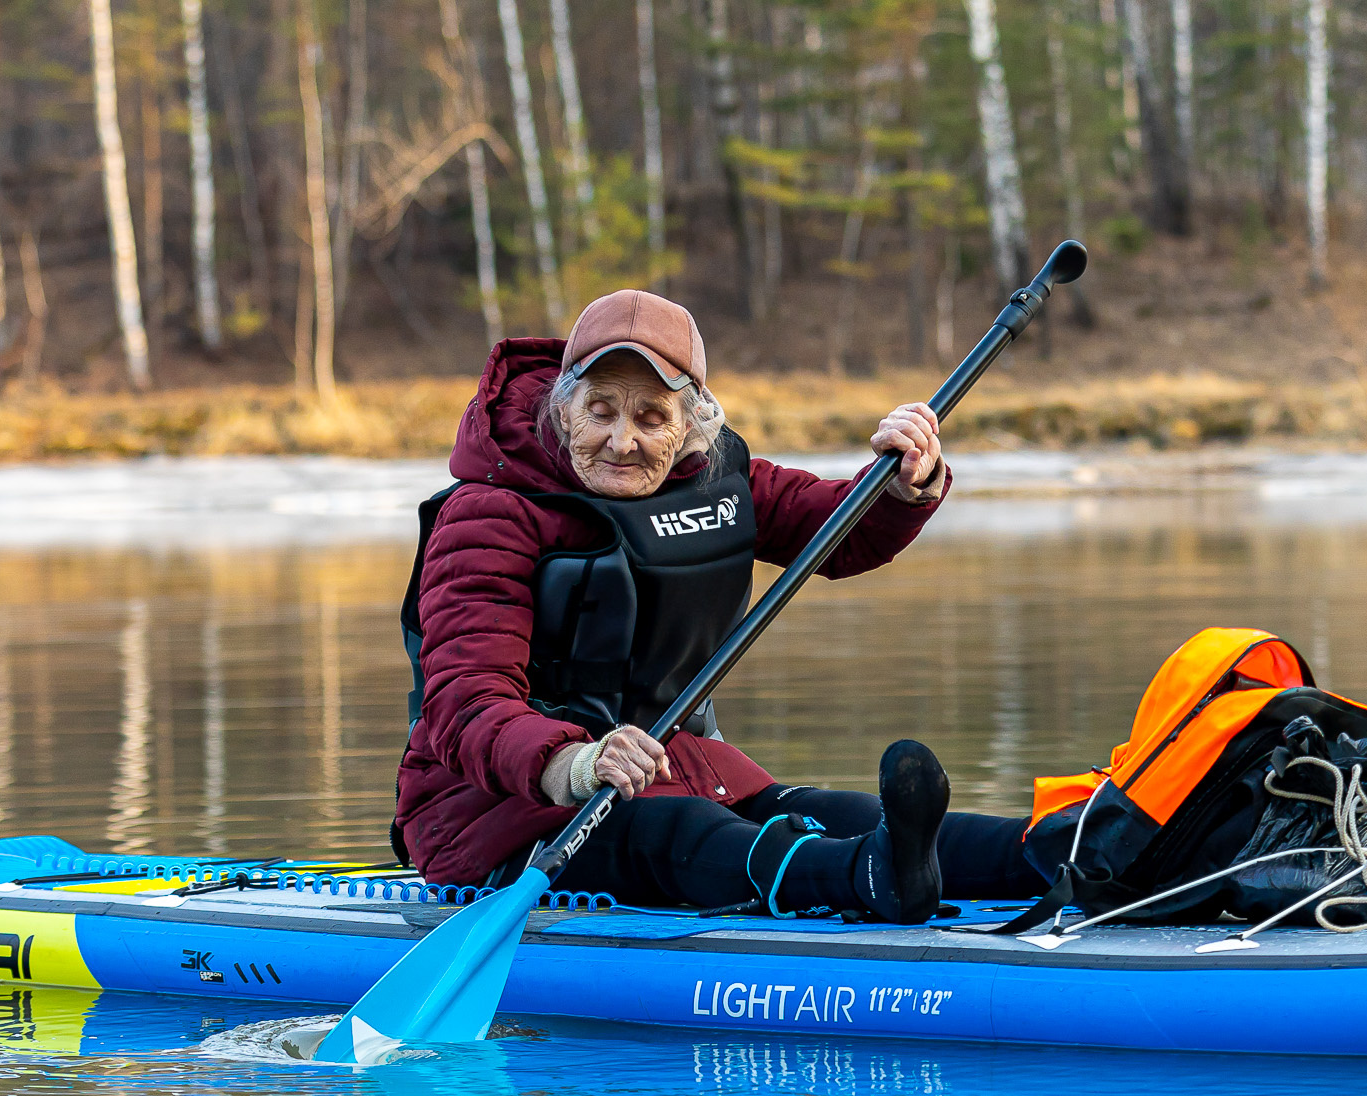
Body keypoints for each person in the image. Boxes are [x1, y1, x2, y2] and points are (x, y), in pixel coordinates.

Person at [392, 289, 1039, 922]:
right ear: (563, 411)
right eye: (601, 411)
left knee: (843, 814)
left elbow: (841, 531)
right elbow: (464, 699)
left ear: (691, 422)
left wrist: (904, 484)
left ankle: (1065, 851)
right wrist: (575, 763)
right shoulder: (486, 514)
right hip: (499, 813)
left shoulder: (714, 479)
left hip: (677, 769)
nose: (622, 441)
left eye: (651, 417)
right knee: (683, 829)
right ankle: (867, 879)